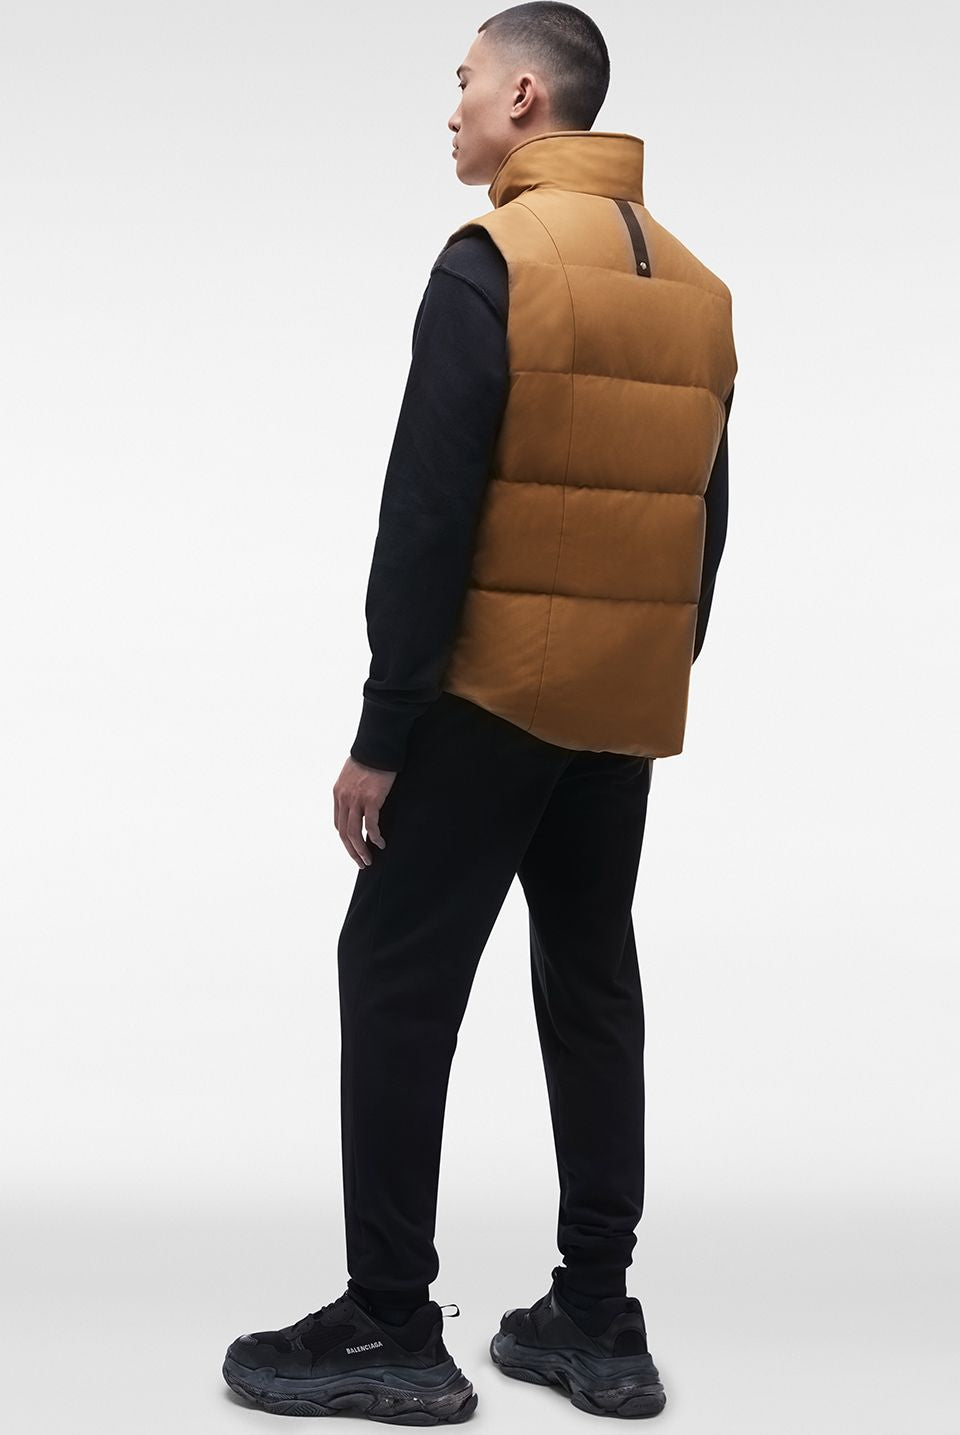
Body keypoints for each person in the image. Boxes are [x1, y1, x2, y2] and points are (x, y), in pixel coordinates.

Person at [223, 2, 736, 1422]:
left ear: (524, 97)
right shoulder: (699, 288)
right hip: (619, 704)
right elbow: (707, 519)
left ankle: (390, 1321)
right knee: (591, 981)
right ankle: (597, 1316)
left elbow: (428, 511)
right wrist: (649, 668)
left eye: (462, 82)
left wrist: (383, 730)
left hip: (489, 693)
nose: (448, 107)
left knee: (394, 974)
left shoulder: (491, 260)